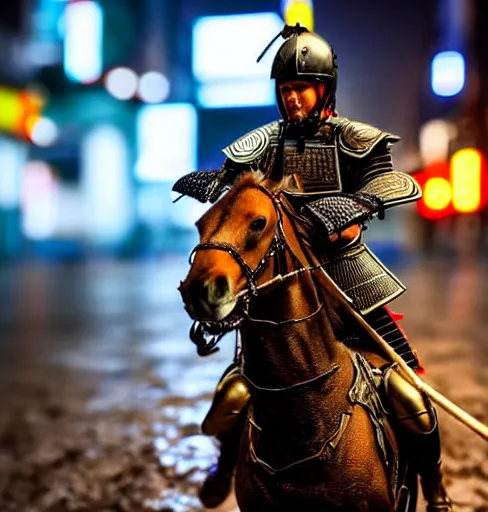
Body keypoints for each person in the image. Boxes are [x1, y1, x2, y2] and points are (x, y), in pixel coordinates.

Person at [173, 24, 453, 512]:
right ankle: (225, 466)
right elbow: (241, 185)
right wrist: (219, 180)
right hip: (282, 283)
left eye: (302, 88)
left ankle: (435, 487)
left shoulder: (353, 139)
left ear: (324, 90)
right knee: (234, 396)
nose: (294, 98)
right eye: (286, 90)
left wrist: (358, 203)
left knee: (409, 394)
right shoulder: (264, 141)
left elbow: (395, 182)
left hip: (348, 281)